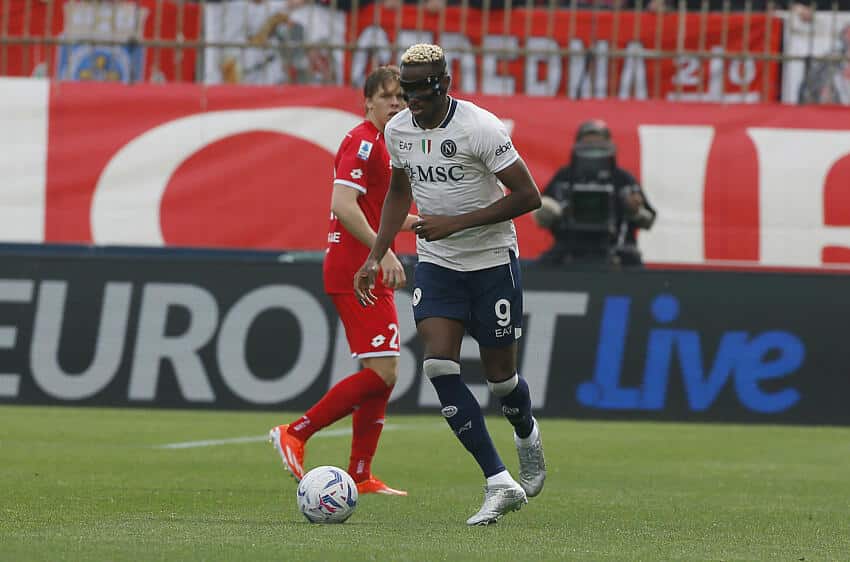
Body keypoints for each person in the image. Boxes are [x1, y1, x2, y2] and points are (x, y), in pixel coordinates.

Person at [354, 43, 547, 526]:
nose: (412, 100)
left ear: (445, 84)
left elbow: (529, 196)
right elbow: (399, 192)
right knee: (439, 365)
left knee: (501, 380)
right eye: (406, 90)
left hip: (491, 262)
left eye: (421, 90)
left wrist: (457, 222)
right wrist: (376, 254)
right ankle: (497, 480)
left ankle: (525, 433)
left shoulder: (479, 127)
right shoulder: (397, 130)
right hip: (438, 263)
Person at [269, 65, 419, 496]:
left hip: (368, 267)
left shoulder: (388, 145)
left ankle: (359, 473)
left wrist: (430, 224)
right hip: (357, 270)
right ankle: (296, 432)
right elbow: (344, 205)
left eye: (401, 98)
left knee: (382, 370)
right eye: (387, 96)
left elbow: (376, 213)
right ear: (367, 101)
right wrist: (383, 251)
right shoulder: (362, 142)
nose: (396, 103)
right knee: (385, 370)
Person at [533, 119, 656, 268]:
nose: (593, 151)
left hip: (617, 251)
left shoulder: (623, 179)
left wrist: (635, 210)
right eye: (588, 146)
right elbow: (541, 213)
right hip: (569, 250)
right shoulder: (565, 177)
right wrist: (553, 211)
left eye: (598, 146)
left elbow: (649, 219)